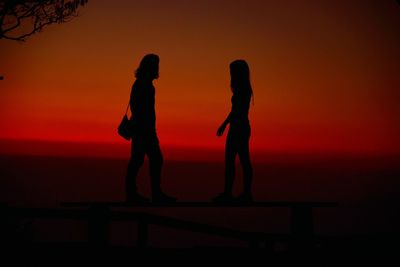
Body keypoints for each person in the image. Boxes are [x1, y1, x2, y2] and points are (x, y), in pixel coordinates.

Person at [125, 54, 176, 203]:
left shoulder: (144, 84)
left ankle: (137, 193)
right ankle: (145, 194)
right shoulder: (142, 85)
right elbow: (138, 108)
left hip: (145, 130)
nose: (157, 69)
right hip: (144, 130)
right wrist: (144, 128)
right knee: (148, 159)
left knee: (142, 160)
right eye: (155, 66)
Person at [213, 59, 254, 203]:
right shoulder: (242, 89)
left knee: (239, 161)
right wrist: (224, 125)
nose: (231, 74)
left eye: (232, 71)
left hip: (239, 128)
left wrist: (225, 125)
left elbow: (237, 111)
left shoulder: (243, 89)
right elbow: (234, 111)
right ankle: (235, 193)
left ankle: (237, 194)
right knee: (237, 161)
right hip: (238, 127)